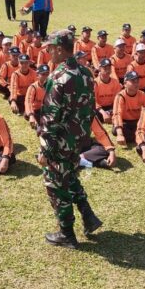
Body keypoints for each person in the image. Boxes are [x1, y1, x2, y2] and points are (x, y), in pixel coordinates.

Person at [37, 29, 101, 249]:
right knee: (70, 175)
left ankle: (66, 233)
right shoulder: (85, 73)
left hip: (59, 143)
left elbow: (50, 118)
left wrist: (45, 150)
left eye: (50, 48)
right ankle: (87, 213)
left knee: (56, 185)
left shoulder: (58, 77)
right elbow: (91, 108)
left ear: (59, 49)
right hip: (78, 140)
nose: (47, 52)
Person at [112, 71, 145, 146]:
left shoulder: (142, 94)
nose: (136, 84)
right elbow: (117, 115)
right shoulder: (120, 96)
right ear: (125, 84)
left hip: (137, 121)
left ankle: (138, 136)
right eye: (133, 81)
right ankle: (140, 136)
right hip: (124, 122)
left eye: (137, 81)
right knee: (116, 130)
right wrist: (120, 134)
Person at [94, 58, 122, 123]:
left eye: (109, 68)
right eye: (105, 68)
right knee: (93, 115)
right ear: (100, 69)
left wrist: (114, 111)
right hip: (99, 109)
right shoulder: (95, 83)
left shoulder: (115, 82)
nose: (108, 70)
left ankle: (111, 117)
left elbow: (118, 100)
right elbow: (93, 102)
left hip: (111, 107)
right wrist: (103, 113)